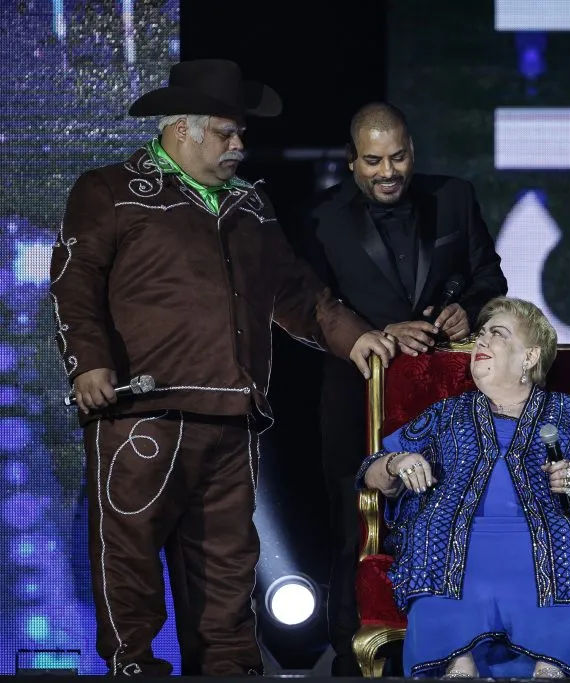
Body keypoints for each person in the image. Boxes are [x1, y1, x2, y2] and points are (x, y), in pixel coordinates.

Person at [49, 59, 396, 676]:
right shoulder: (112, 190)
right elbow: (75, 287)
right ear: (180, 129)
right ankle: (134, 667)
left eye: (241, 134)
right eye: (225, 133)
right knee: (129, 558)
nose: (239, 145)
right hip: (142, 414)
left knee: (228, 563)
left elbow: (299, 296)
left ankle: (229, 671)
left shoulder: (248, 204)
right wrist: (88, 366)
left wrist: (356, 339)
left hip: (232, 416)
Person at [297, 101, 507, 675]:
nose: (388, 171)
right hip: (357, 394)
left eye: (398, 157)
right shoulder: (322, 216)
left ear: (413, 151)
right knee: (354, 524)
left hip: (446, 399)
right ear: (352, 161)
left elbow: (491, 276)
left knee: (453, 517)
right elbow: (313, 309)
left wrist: (468, 308)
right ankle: (352, 651)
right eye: (373, 160)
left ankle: (456, 647)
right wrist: (376, 332)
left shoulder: (455, 197)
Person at [357, 297, 570, 678]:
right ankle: (455, 665)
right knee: (433, 536)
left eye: (497, 334)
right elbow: (372, 469)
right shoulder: (446, 413)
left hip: (546, 529)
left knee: (567, 539)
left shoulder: (567, 413)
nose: (481, 343)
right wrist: (398, 463)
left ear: (530, 357)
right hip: (453, 528)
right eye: (481, 334)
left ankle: (550, 667)